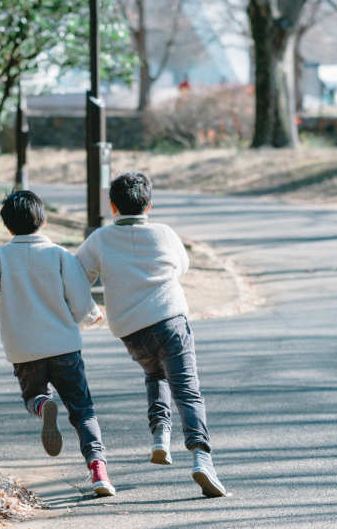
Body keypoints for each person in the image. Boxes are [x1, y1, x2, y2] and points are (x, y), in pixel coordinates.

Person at [0, 190, 116, 497]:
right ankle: (98, 471)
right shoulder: (60, 255)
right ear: (43, 219)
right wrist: (91, 315)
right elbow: (79, 295)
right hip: (64, 345)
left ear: (8, 227)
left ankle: (42, 405)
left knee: (32, 395)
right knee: (83, 409)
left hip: (23, 349)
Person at [74, 171, 226, 498]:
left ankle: (160, 434)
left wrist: (89, 310)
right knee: (187, 389)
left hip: (131, 330)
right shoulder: (165, 233)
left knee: (154, 373)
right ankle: (201, 457)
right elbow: (181, 266)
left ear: (112, 206)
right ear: (150, 205)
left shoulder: (99, 239)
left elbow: (76, 278)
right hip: (169, 318)